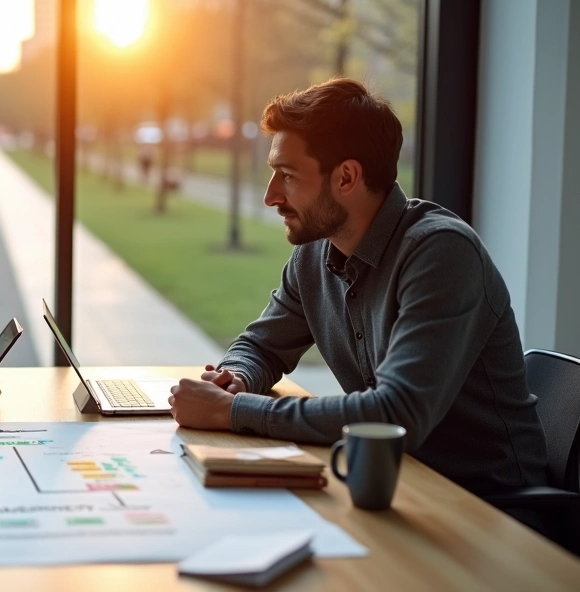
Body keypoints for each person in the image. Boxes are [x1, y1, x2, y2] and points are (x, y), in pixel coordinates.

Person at [168, 78, 548, 495]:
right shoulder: (315, 255)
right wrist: (236, 378)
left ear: (347, 177)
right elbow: (261, 346)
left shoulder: (441, 253)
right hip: (393, 483)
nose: (270, 196)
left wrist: (234, 411)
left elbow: (396, 413)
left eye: (287, 175)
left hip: (492, 510)